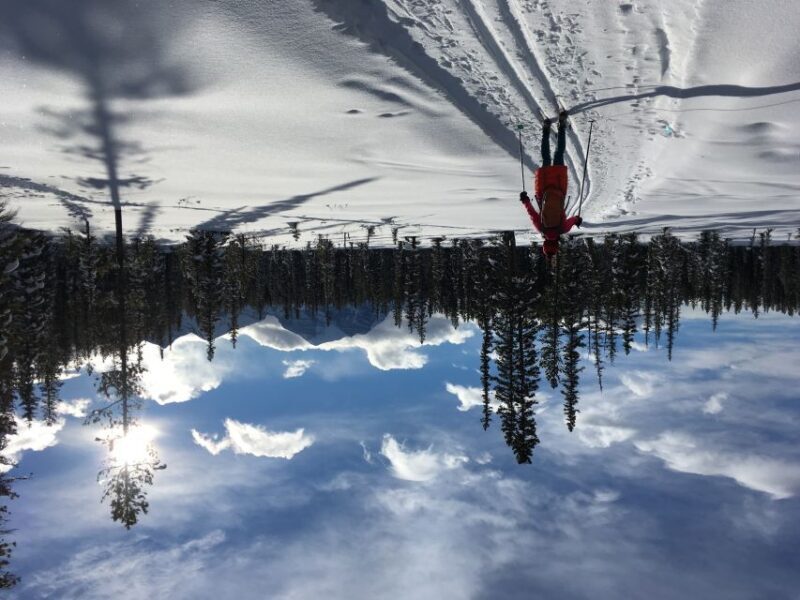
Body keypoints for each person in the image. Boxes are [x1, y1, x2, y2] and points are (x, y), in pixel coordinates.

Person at [519, 110, 582, 258]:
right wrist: (525, 200)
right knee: (546, 158)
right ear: (544, 243)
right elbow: (531, 212)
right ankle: (546, 129)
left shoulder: (563, 229)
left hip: (559, 188)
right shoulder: (540, 228)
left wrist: (577, 220)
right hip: (543, 189)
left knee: (559, 154)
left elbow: (575, 219)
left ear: (557, 244)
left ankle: (561, 124)